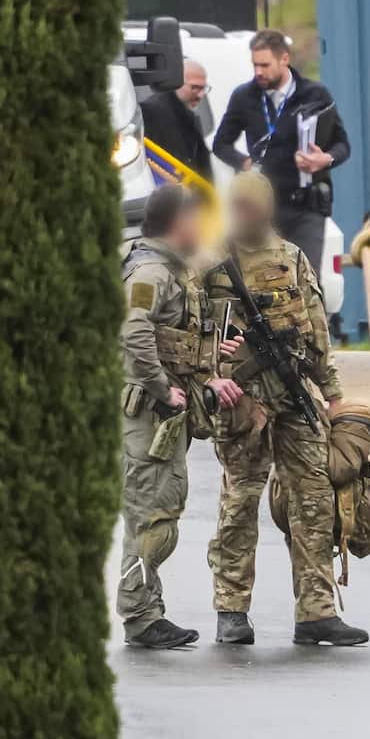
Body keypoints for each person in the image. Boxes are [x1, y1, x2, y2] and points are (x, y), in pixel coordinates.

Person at [204, 170, 368, 647]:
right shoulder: (210, 262)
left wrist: (332, 395)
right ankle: (231, 608)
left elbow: (316, 331)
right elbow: (188, 331)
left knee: (313, 499)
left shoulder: (291, 258)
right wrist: (211, 377)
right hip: (242, 399)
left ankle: (316, 611)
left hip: (294, 392)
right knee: (240, 502)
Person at [118, 185, 242, 649]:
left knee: (158, 512)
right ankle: (139, 615)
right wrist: (158, 386)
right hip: (150, 414)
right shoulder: (150, 270)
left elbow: (174, 340)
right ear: (178, 222)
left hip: (164, 414)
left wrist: (207, 363)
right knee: (152, 517)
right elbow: (134, 329)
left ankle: (147, 610)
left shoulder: (172, 269)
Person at [212, 30, 350, 273]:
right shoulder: (244, 97)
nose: (258, 72)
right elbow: (221, 144)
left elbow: (342, 146)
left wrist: (324, 159)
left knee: (307, 277)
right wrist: (243, 162)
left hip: (305, 206)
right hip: (261, 208)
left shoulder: (315, 94)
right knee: (263, 278)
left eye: (265, 65)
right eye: (255, 65)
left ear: (284, 59)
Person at [141, 58, 215, 183]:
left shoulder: (190, 118)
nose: (200, 95)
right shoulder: (152, 112)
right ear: (176, 83)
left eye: (203, 88)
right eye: (195, 87)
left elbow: (203, 164)